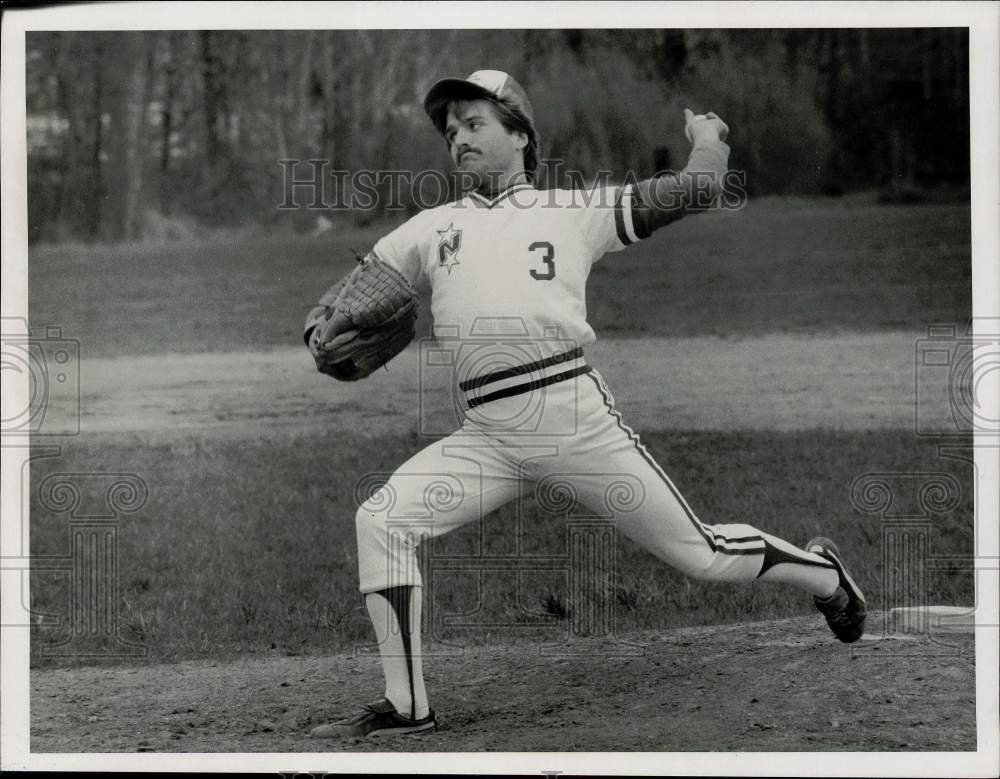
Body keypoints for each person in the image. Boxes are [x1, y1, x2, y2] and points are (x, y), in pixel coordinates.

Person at [305, 70, 866, 739]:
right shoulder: (434, 227)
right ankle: (407, 706)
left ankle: (826, 577)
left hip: (574, 421)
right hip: (488, 436)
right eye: (451, 130)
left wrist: (708, 141)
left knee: (703, 554)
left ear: (520, 133)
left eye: (475, 123)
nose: (458, 138)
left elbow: (698, 188)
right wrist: (318, 329)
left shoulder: (576, 209)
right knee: (383, 520)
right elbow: (351, 291)